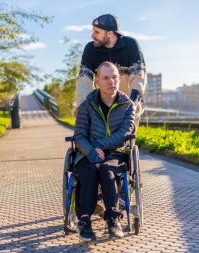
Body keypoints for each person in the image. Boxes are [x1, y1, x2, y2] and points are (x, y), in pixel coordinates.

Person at [73, 61, 136, 241]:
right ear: (97, 82)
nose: (112, 82)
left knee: (107, 170)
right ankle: (84, 221)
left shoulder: (127, 105)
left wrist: (99, 144)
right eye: (106, 78)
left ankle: (113, 220)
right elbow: (79, 136)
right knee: (89, 170)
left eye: (115, 77)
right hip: (88, 152)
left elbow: (125, 133)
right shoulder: (87, 106)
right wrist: (92, 153)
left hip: (115, 152)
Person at [75, 14, 147, 118]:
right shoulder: (90, 49)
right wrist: (82, 107)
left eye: (97, 32)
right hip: (102, 111)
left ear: (109, 34)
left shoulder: (131, 45)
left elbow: (138, 79)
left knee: (126, 134)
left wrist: (131, 106)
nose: (92, 36)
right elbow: (83, 82)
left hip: (129, 110)